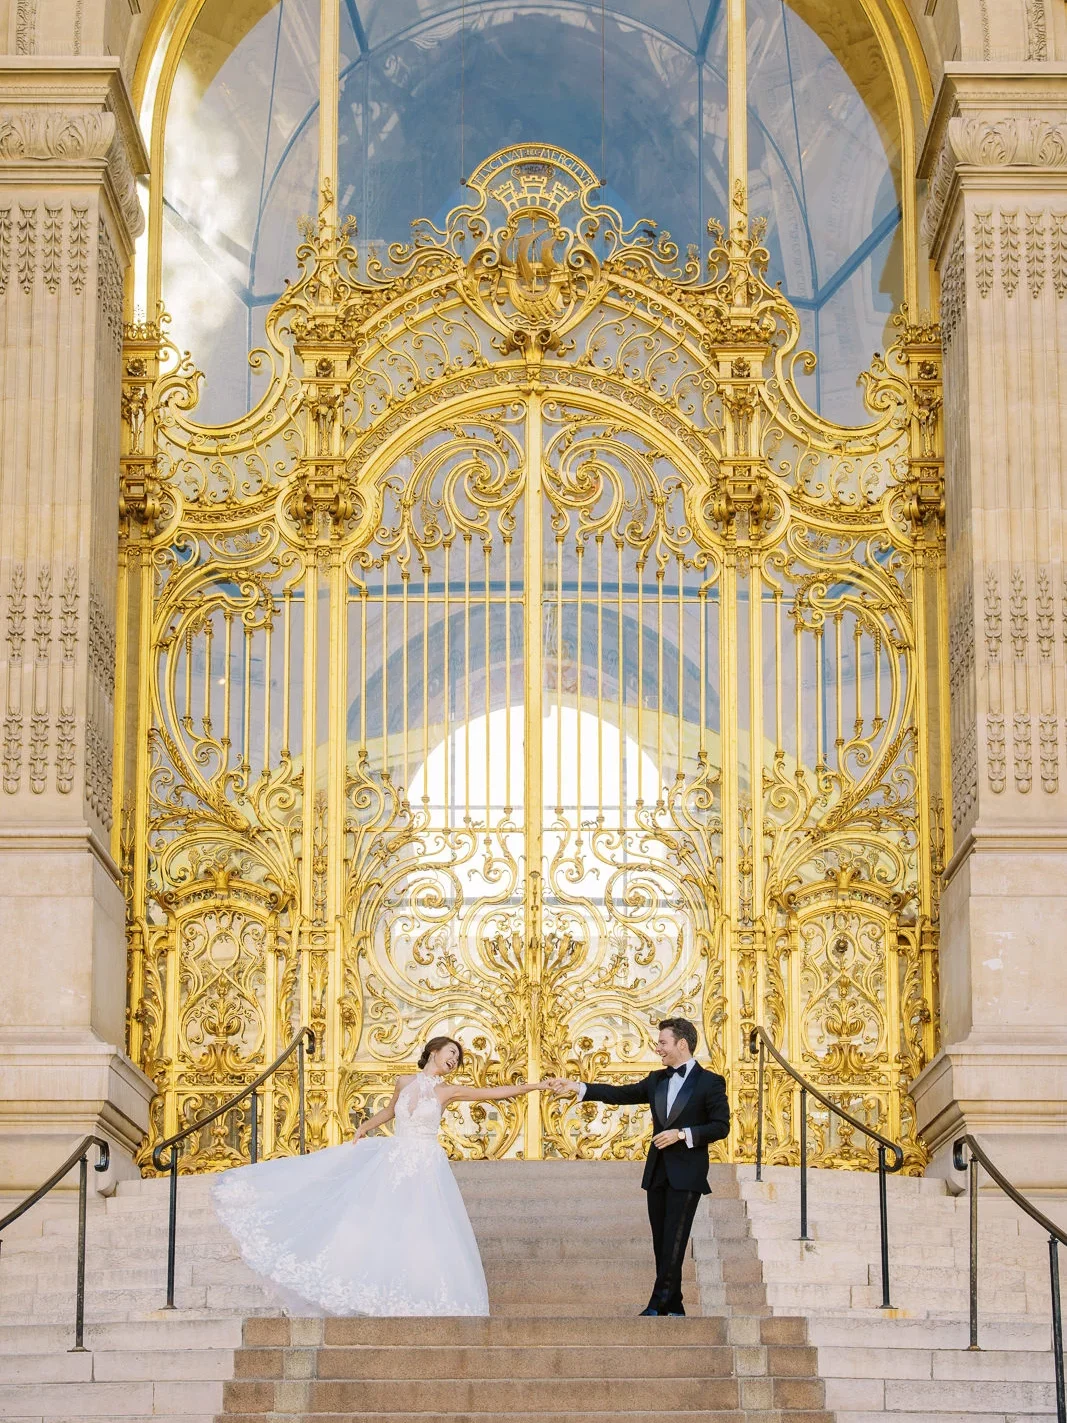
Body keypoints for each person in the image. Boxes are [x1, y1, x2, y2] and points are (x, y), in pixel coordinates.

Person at [212, 1036, 549, 1316]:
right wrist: (365, 1127)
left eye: (458, 1059)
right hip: (395, 1155)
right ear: (434, 1051)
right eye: (452, 1053)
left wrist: (534, 1086)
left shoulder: (447, 1091)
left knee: (420, 1224)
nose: (455, 1060)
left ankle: (414, 1291)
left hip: (425, 1163)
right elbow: (390, 1111)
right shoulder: (404, 1081)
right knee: (378, 1218)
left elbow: (495, 1093)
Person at [547, 1015, 730, 1316]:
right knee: (662, 1242)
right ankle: (675, 1305)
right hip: (658, 1173)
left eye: (662, 1042)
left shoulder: (711, 1083)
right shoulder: (656, 1079)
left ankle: (657, 1304)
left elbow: (720, 1127)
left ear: (681, 1044)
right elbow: (621, 1094)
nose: (657, 1048)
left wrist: (681, 1134)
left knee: (675, 1240)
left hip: (687, 1174)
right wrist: (578, 1087)